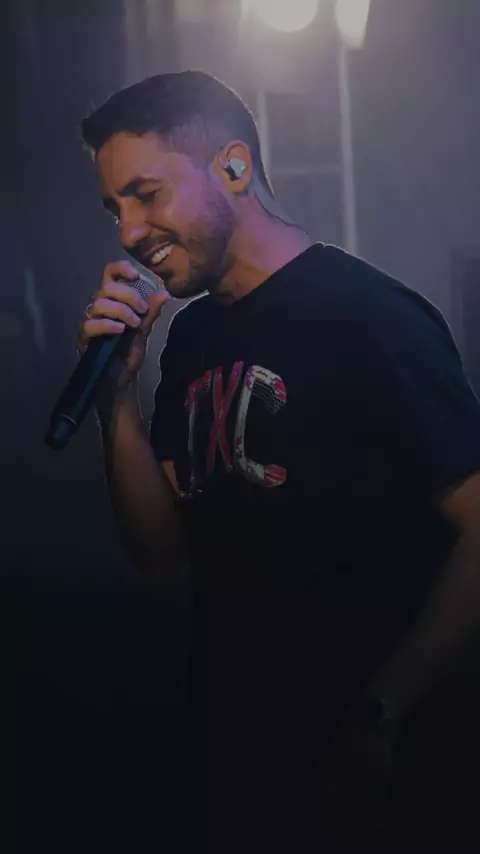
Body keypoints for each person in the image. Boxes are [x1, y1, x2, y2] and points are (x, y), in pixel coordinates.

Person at [77, 70, 480, 853]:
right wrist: (117, 399)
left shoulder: (366, 314)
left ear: (233, 166)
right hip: (249, 766)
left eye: (146, 194)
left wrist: (380, 715)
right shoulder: (192, 337)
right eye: (114, 208)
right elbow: (160, 554)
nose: (128, 231)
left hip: (376, 780)